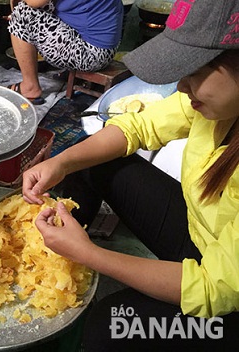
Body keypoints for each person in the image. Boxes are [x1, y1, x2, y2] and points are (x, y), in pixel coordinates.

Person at [22, 0, 239, 349]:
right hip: (204, 236)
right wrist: (60, 162)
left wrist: (92, 255)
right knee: (92, 160)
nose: (181, 87)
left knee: (110, 326)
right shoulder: (217, 104)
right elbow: (138, 126)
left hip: (229, 297)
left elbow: (216, 289)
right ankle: (57, 256)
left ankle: (75, 254)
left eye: (195, 71)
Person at [7, 0, 124, 105]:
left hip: (91, 54)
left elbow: (34, 2)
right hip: (104, 48)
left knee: (22, 13)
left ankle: (30, 87)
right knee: (43, 6)